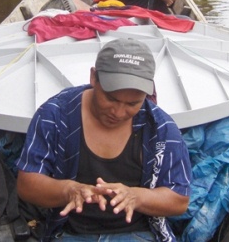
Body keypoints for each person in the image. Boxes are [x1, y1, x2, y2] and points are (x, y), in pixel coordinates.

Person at [16, 38, 192, 241]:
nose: (118, 112)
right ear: (93, 77)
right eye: (111, 98)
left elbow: (179, 200)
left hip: (137, 232)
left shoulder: (161, 128)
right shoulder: (55, 115)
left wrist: (135, 196)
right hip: (70, 231)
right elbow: (27, 184)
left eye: (132, 103)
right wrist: (70, 190)